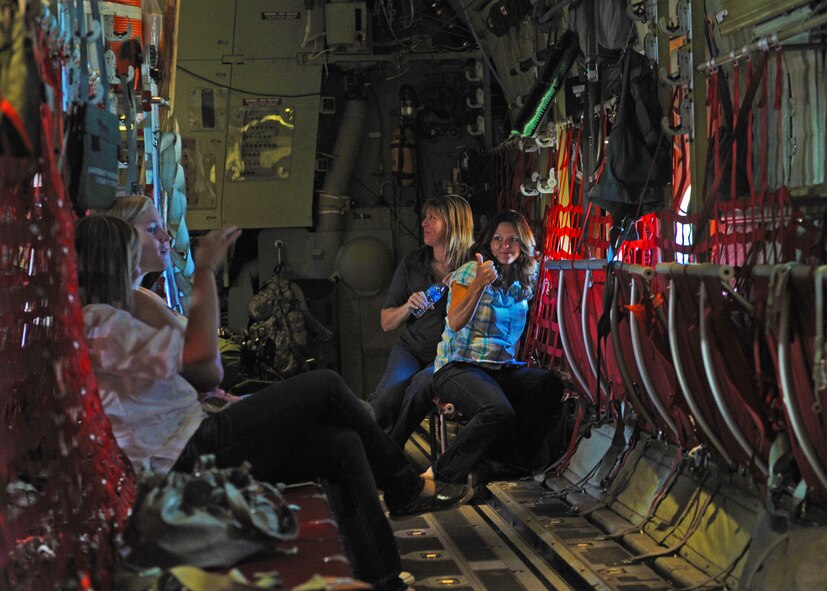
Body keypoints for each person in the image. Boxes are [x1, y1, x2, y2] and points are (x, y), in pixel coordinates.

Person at [75, 215, 473, 591]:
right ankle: (403, 485)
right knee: (326, 387)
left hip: (191, 438)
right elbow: (202, 364)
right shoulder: (104, 325)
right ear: (113, 263)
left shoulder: (105, 319)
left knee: (341, 446)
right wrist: (204, 271)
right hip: (191, 450)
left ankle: (382, 577)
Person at [423, 210, 565, 486]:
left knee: (548, 384)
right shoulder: (472, 271)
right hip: (459, 366)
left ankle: (506, 464)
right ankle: (442, 473)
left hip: (499, 368)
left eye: (513, 240)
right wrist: (478, 285)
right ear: (489, 242)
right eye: (498, 239)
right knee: (497, 410)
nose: (504, 246)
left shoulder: (525, 280)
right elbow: (454, 322)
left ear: (523, 244)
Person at [370, 195, 474, 448]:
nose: (423, 223)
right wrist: (408, 306)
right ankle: (363, 448)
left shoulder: (475, 264)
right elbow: (386, 322)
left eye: (432, 218)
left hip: (451, 355)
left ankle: (391, 448)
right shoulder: (412, 264)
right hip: (413, 350)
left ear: (453, 223)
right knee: (384, 399)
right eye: (425, 216)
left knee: (421, 384)